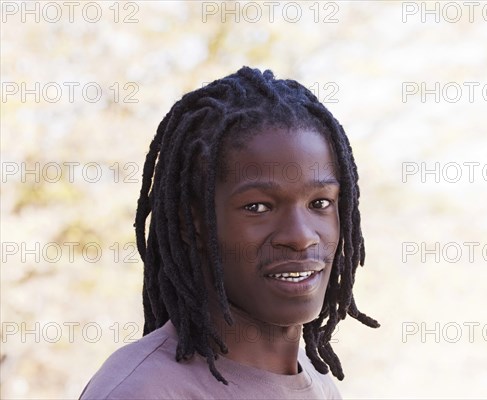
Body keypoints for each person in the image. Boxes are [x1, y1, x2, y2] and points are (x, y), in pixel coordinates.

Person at [79, 66, 379, 399]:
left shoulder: (317, 383)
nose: (300, 236)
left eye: (320, 202)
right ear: (192, 222)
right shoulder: (146, 391)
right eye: (258, 207)